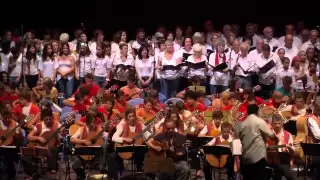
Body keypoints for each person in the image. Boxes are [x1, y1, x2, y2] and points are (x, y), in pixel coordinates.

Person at [236, 104, 279, 180]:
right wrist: (277, 140)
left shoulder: (242, 124)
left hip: (246, 157)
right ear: (257, 111)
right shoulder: (259, 121)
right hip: (258, 156)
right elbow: (271, 135)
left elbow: (238, 138)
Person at [108, 107, 150, 180]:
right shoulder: (122, 125)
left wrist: (153, 133)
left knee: (141, 151)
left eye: (133, 116)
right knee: (112, 157)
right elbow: (114, 138)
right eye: (129, 116)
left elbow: (147, 136)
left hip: (136, 151)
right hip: (125, 149)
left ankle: (139, 174)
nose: (132, 118)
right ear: (126, 117)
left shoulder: (140, 125)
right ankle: (113, 177)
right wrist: (125, 139)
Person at [22, 108, 61, 179]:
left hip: (51, 148)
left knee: (53, 149)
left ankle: (52, 170)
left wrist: (62, 133)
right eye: (46, 119)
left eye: (50, 119)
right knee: (25, 156)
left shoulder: (57, 124)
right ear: (43, 119)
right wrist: (38, 138)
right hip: (39, 147)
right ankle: (33, 174)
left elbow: (61, 136)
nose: (49, 121)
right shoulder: (39, 125)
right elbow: (29, 136)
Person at [70, 113, 108, 180]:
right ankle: (80, 174)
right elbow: (72, 139)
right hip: (82, 152)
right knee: (73, 153)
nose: (94, 124)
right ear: (87, 122)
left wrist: (108, 133)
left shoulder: (98, 129)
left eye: (95, 122)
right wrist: (83, 141)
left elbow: (106, 136)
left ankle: (102, 168)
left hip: (94, 155)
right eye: (92, 122)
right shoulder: (81, 129)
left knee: (104, 146)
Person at [267, 114, 296, 180]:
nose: (277, 125)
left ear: (282, 123)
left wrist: (289, 148)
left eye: (279, 123)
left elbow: (293, 151)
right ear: (271, 124)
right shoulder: (268, 134)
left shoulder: (287, 134)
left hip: (283, 162)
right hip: (270, 162)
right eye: (275, 123)